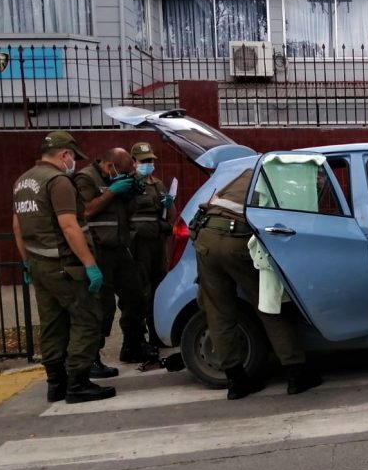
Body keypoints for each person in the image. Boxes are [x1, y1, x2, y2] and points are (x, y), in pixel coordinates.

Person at [191, 167, 322, 400]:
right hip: (238, 241)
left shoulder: (244, 174)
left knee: (219, 313)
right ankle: (296, 375)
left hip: (206, 237)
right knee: (269, 302)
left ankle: (236, 382)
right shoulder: (283, 181)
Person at [11, 131, 115, 404]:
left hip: (38, 264)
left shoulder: (23, 181)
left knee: (53, 323)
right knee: (87, 318)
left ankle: (55, 383)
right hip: (64, 266)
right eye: (73, 158)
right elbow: (69, 226)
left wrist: (25, 261)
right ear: (64, 155)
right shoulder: (58, 182)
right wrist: (90, 265)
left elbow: (17, 227)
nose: (74, 164)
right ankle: (78, 383)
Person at [74, 148, 155, 376]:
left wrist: (131, 194)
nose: (128, 177)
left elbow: (125, 213)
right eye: (125, 173)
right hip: (98, 250)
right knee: (102, 306)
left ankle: (133, 345)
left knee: (136, 296)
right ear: (110, 166)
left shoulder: (118, 179)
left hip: (120, 247)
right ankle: (91, 358)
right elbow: (86, 211)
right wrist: (112, 191)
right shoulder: (86, 178)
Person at [129, 142, 176, 350]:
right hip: (139, 244)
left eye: (150, 161)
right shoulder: (129, 184)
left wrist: (169, 203)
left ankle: (157, 335)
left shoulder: (158, 184)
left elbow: (171, 216)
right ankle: (137, 339)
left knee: (159, 288)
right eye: (143, 161)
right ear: (134, 163)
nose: (147, 164)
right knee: (141, 291)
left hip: (158, 241)